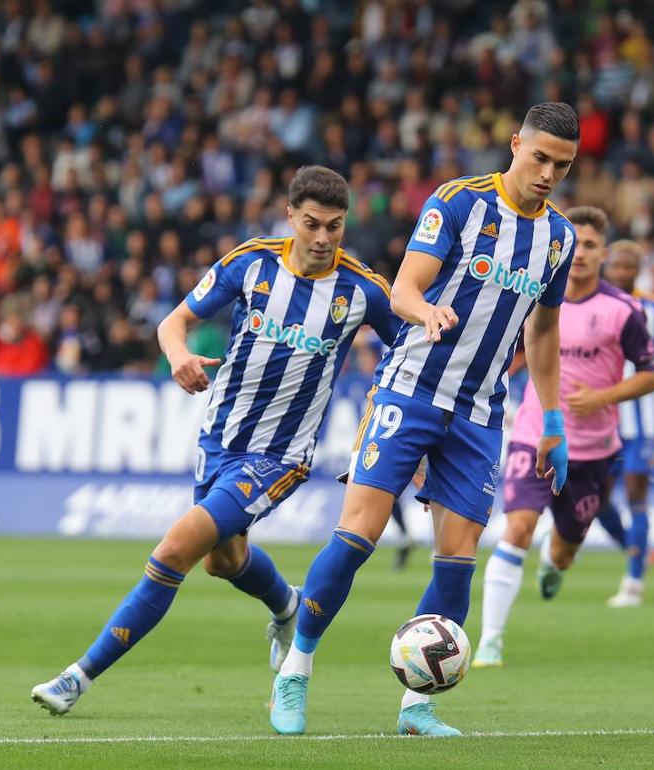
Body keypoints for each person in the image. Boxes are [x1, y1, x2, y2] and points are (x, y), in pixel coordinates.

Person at [30, 167, 401, 715]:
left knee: (175, 550)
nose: (323, 239)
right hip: (218, 439)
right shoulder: (250, 263)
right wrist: (178, 356)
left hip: (280, 457)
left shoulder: (364, 289)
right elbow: (173, 322)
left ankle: (76, 678)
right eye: (313, 224)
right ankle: (288, 605)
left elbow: (410, 359)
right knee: (222, 562)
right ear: (290, 216)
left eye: (335, 227)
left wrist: (387, 419)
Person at [268, 102, 580, 737]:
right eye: (540, 156)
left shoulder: (562, 238)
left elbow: (545, 331)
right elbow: (405, 288)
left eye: (562, 165)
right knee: (358, 535)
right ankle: (295, 669)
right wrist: (424, 314)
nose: (548, 173)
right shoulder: (459, 203)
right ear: (515, 143)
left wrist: (552, 418)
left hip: (482, 410)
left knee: (458, 557)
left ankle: (417, 706)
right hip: (410, 388)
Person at [472, 209, 654, 668]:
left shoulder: (623, 310)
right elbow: (513, 352)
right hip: (535, 435)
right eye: (576, 243)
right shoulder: (536, 299)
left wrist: (602, 397)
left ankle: (554, 565)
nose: (581, 254)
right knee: (516, 527)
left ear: (603, 254)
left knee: (564, 547)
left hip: (594, 450)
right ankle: (489, 641)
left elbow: (651, 376)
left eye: (592, 245)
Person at [592, 239, 654, 607]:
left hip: (644, 419)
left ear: (637, 271)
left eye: (628, 268)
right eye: (616, 266)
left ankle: (634, 582)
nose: (621, 273)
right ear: (607, 266)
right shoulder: (587, 303)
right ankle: (634, 548)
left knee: (636, 494)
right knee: (597, 501)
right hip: (602, 418)